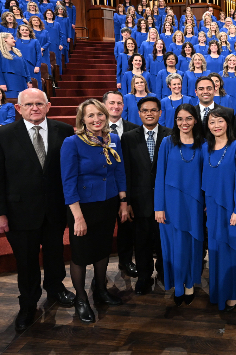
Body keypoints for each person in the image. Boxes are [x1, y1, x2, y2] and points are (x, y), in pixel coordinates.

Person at [0, 88, 75, 331]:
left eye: (39, 103)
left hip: (55, 210)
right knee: (26, 261)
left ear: (48, 106)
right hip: (19, 212)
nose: (34, 108)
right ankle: (28, 303)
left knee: (55, 254)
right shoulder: (2, 135)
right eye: (29, 104)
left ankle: (56, 289)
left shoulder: (64, 131)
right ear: (18, 108)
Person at [60, 99, 129, 323]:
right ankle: (81, 298)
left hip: (108, 203)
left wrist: (123, 201)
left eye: (100, 114)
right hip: (83, 207)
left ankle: (100, 290)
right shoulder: (72, 142)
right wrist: (77, 217)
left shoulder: (113, 139)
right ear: (82, 120)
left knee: (102, 249)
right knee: (80, 254)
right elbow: (68, 181)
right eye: (90, 116)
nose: (96, 119)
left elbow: (119, 171)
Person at [155, 104, 205, 306]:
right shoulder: (167, 143)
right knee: (174, 246)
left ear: (195, 120)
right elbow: (159, 176)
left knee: (193, 244)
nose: (184, 123)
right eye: (179, 119)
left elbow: (207, 176)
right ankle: (177, 283)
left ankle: (190, 284)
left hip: (195, 203)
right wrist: (159, 206)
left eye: (188, 118)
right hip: (171, 202)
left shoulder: (203, 143)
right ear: (175, 121)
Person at [121, 96, 170, 294]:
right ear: (139, 113)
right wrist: (128, 201)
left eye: (153, 110)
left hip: (164, 200)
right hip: (139, 200)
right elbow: (127, 171)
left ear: (160, 112)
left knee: (163, 240)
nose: (149, 113)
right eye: (145, 110)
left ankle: (165, 272)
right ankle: (143, 276)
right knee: (141, 242)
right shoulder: (128, 137)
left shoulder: (170, 135)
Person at [201, 108, 236, 311]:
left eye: (220, 121)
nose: (216, 126)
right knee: (216, 249)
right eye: (212, 122)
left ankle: (234, 293)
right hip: (212, 206)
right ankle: (219, 290)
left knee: (232, 248)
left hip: (232, 207)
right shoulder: (205, 147)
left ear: (228, 123)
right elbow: (204, 178)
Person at [103, 91, 139, 278]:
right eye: (112, 103)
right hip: (105, 187)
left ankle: (126, 261)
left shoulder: (134, 129)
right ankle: (101, 268)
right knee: (105, 230)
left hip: (129, 186)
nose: (116, 106)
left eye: (119, 103)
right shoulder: (96, 129)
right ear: (104, 105)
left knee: (126, 227)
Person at [0, 33, 32, 98]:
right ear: (5, 39)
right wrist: (1, 83)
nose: (14, 40)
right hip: (8, 82)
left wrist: (29, 81)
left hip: (21, 81)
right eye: (12, 38)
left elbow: (25, 67)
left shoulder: (17, 51)